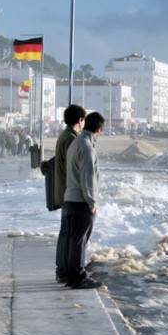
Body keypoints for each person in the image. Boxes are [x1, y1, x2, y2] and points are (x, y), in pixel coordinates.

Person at [63, 111, 106, 290]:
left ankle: (72, 276)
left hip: (70, 199)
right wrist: (92, 202)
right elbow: (87, 178)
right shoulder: (88, 148)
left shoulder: (76, 143)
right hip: (81, 202)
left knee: (73, 240)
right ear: (99, 130)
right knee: (79, 241)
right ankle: (79, 277)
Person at [54, 104, 86, 284]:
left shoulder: (64, 136)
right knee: (68, 234)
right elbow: (72, 168)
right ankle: (64, 270)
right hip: (69, 193)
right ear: (79, 120)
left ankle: (62, 270)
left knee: (65, 233)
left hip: (63, 191)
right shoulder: (71, 139)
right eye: (83, 120)